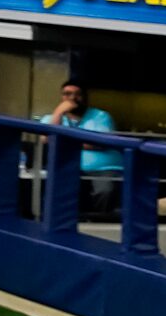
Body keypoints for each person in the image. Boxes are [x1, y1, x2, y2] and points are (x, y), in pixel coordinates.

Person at [46, 80, 121, 219]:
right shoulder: (51, 118)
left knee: (105, 190)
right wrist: (58, 112)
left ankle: (100, 224)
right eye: (67, 94)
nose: (72, 98)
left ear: (85, 97)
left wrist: (64, 141)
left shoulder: (101, 116)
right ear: (61, 97)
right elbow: (47, 140)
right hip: (69, 167)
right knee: (60, 188)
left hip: (104, 168)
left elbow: (99, 143)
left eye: (77, 94)